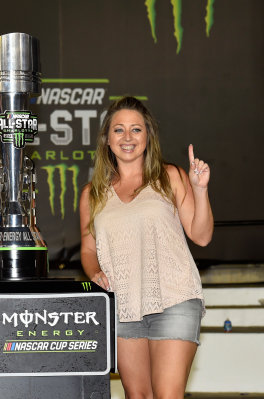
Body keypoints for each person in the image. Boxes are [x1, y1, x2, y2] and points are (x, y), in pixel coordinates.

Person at [79, 96, 213, 398]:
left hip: (175, 299)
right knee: (137, 395)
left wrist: (200, 190)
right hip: (124, 304)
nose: (128, 138)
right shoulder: (92, 194)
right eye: (119, 130)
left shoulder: (171, 176)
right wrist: (94, 272)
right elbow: (88, 250)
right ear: (106, 139)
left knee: (166, 394)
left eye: (136, 130)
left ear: (148, 136)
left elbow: (201, 236)